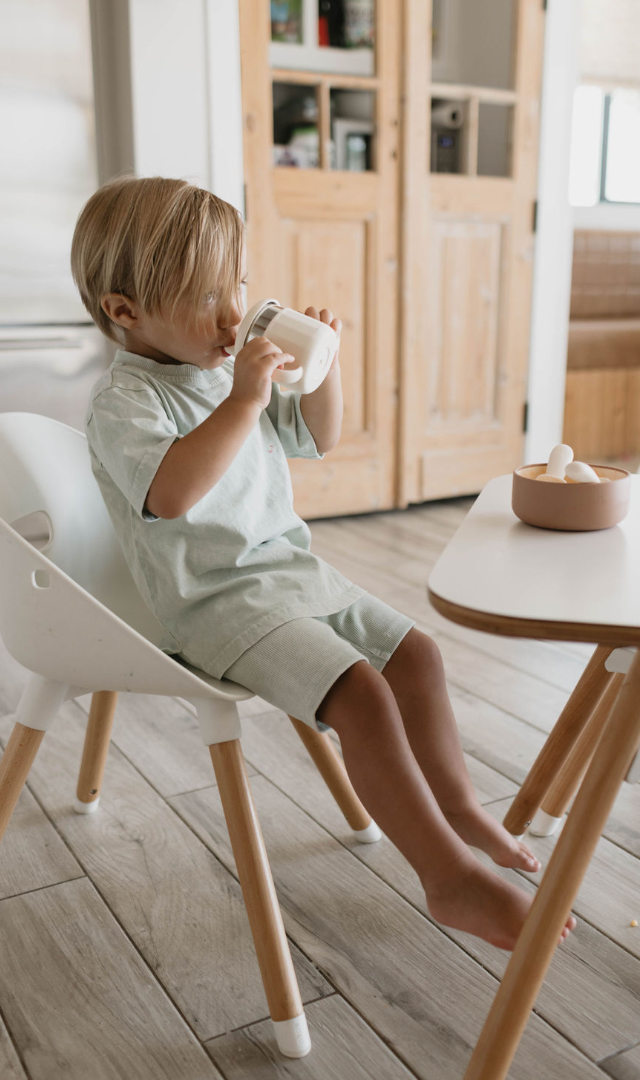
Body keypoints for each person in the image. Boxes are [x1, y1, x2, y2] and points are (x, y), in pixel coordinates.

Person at [71, 175, 574, 951]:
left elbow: (320, 435)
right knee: (364, 698)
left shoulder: (228, 368)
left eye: (235, 284)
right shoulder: (127, 403)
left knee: (417, 657)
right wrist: (241, 401)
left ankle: (463, 808)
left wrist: (325, 366)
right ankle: (449, 877)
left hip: (293, 574)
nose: (235, 314)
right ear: (125, 311)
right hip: (216, 603)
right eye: (206, 297)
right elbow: (171, 495)